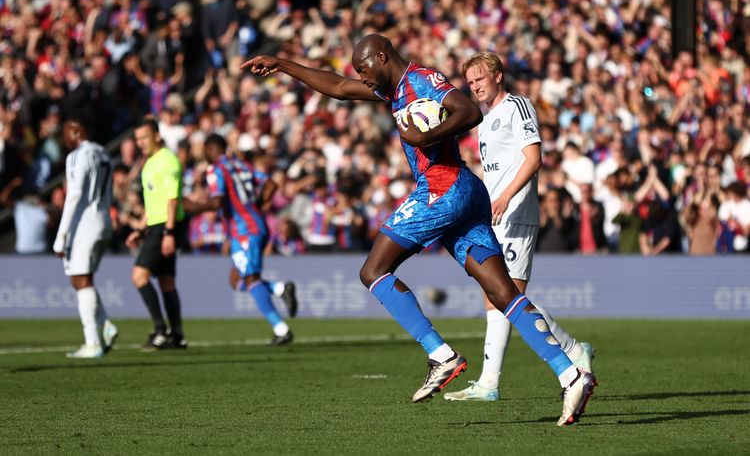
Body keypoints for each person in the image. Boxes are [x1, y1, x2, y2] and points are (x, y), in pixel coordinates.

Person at [243, 34, 594, 425]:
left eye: (364, 69)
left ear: (381, 57)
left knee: (373, 271)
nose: (361, 77)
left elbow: (468, 112)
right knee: (501, 293)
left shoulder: (423, 79)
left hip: (443, 188)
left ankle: (440, 355)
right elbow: (339, 87)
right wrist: (282, 64)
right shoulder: (392, 91)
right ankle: (570, 373)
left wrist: (425, 136)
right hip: (466, 192)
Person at [444, 52, 595, 401]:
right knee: (496, 295)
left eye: (480, 78)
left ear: (498, 75)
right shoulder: (484, 122)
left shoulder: (518, 106)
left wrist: (507, 197)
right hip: (494, 215)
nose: (475, 86)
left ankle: (564, 355)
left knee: (508, 296)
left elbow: (533, 158)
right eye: (470, 82)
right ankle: (492, 382)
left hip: (516, 213)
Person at [186, 134, 298, 345]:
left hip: (245, 230)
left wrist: (193, 207)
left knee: (250, 279)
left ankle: (281, 329)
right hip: (254, 225)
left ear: (211, 149)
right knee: (235, 280)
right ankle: (280, 289)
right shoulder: (240, 165)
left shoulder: (216, 169)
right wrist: (258, 204)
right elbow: (271, 184)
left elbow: (217, 202)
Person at [52, 119, 118, 358]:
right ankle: (106, 325)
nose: (65, 141)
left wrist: (61, 235)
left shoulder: (78, 155)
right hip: (103, 219)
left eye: (66, 135)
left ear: (77, 132)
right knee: (81, 278)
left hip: (85, 223)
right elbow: (109, 193)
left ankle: (92, 341)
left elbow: (75, 194)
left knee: (79, 277)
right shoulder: (104, 153)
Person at [125, 118, 187, 350]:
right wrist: (140, 229)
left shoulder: (167, 160)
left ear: (157, 136)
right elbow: (155, 202)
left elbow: (172, 200)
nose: (140, 143)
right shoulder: (149, 163)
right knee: (166, 282)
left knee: (139, 276)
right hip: (157, 225)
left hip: (166, 226)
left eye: (144, 138)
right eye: (137, 139)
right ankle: (178, 335)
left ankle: (160, 330)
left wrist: (169, 232)